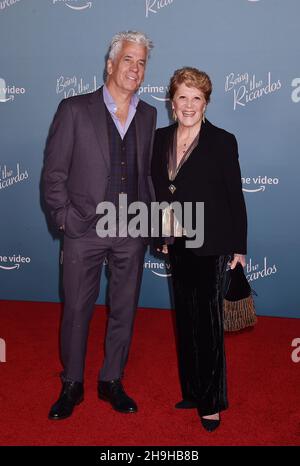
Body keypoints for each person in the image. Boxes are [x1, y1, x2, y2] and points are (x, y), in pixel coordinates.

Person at [43, 31, 157, 420]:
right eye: (128, 59)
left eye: (141, 62)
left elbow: (147, 177)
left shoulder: (149, 114)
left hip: (131, 230)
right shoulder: (74, 109)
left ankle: (112, 380)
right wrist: (65, 219)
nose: (135, 68)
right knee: (76, 308)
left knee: (124, 308)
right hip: (84, 229)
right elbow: (54, 174)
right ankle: (71, 383)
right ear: (110, 65)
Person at [151, 67, 247, 432]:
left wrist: (239, 247)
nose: (189, 105)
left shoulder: (222, 141)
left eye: (197, 98)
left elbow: (234, 197)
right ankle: (192, 390)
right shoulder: (160, 139)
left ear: (206, 103)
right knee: (187, 320)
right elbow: (160, 191)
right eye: (182, 97)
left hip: (212, 243)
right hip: (178, 243)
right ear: (171, 102)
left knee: (208, 325)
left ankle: (211, 401)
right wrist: (160, 230)